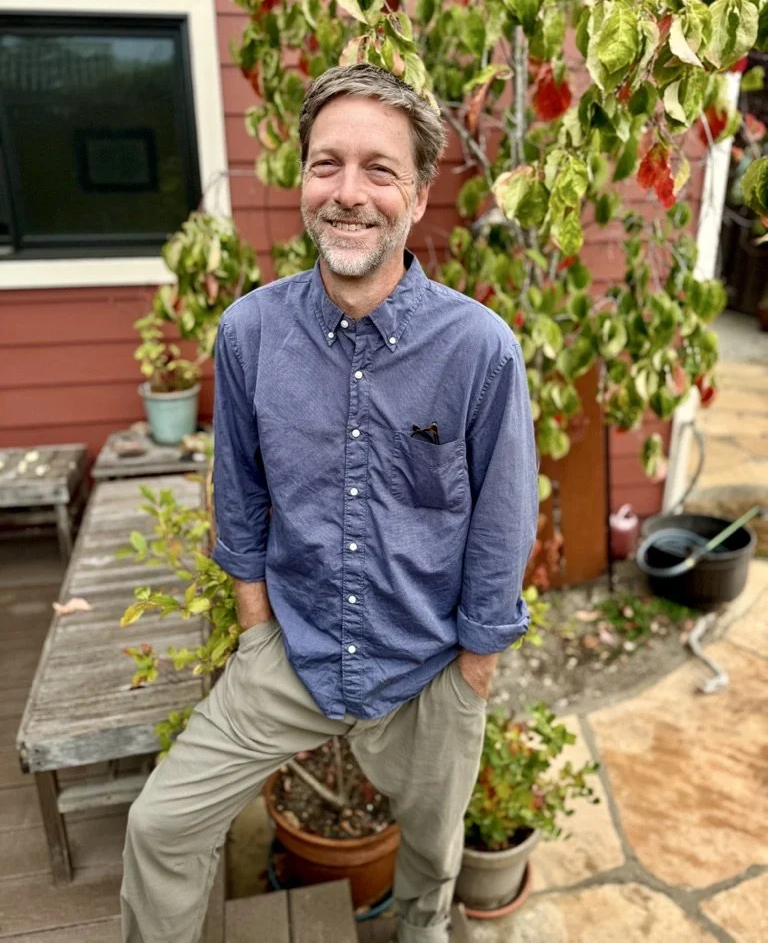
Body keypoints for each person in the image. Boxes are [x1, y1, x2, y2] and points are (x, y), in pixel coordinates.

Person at [121, 63, 539, 943]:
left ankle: (422, 935)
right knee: (159, 827)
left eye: (379, 170)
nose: (349, 194)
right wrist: (257, 629)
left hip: (429, 666)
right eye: (327, 164)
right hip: (292, 649)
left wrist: (473, 671)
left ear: (418, 197)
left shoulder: (479, 351)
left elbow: (502, 525)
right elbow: (239, 490)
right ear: (303, 180)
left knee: (430, 854)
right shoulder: (248, 334)